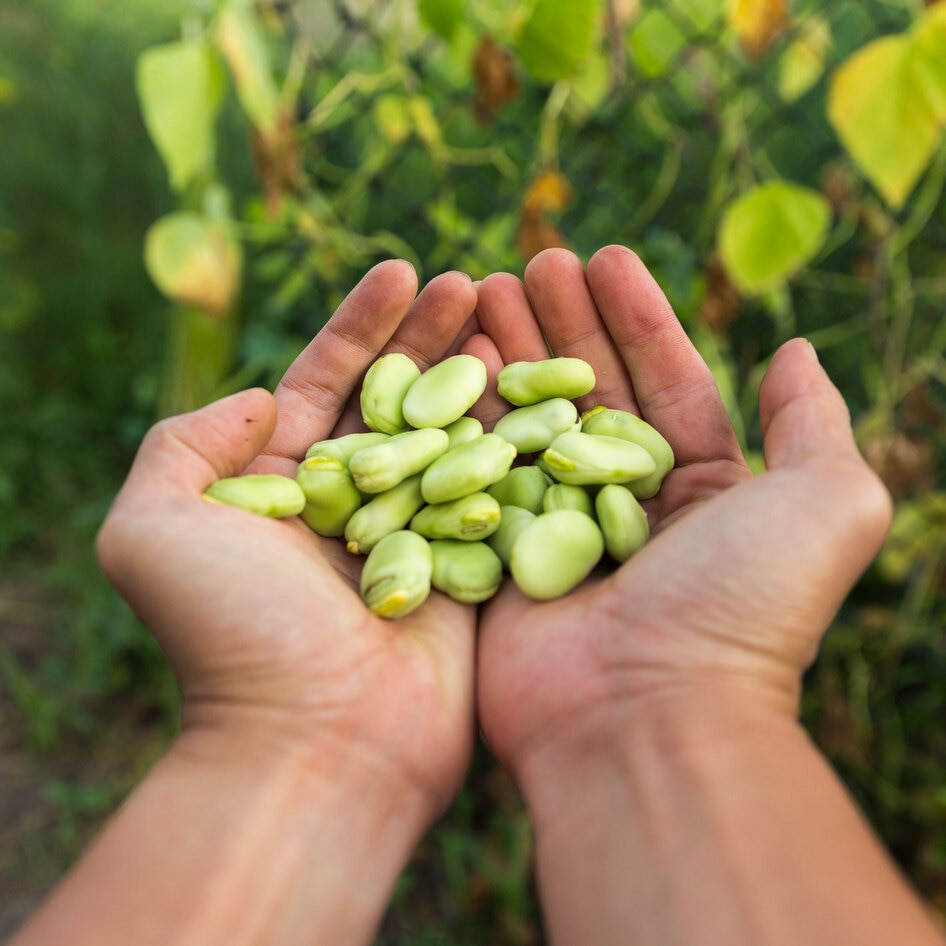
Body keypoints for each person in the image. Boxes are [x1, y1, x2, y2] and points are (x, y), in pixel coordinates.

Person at [11, 246, 945, 946]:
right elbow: (440, 459)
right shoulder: (472, 468)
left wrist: (286, 740)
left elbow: (443, 457)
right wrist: (685, 704)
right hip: (446, 502)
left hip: (445, 495)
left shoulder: (481, 467)